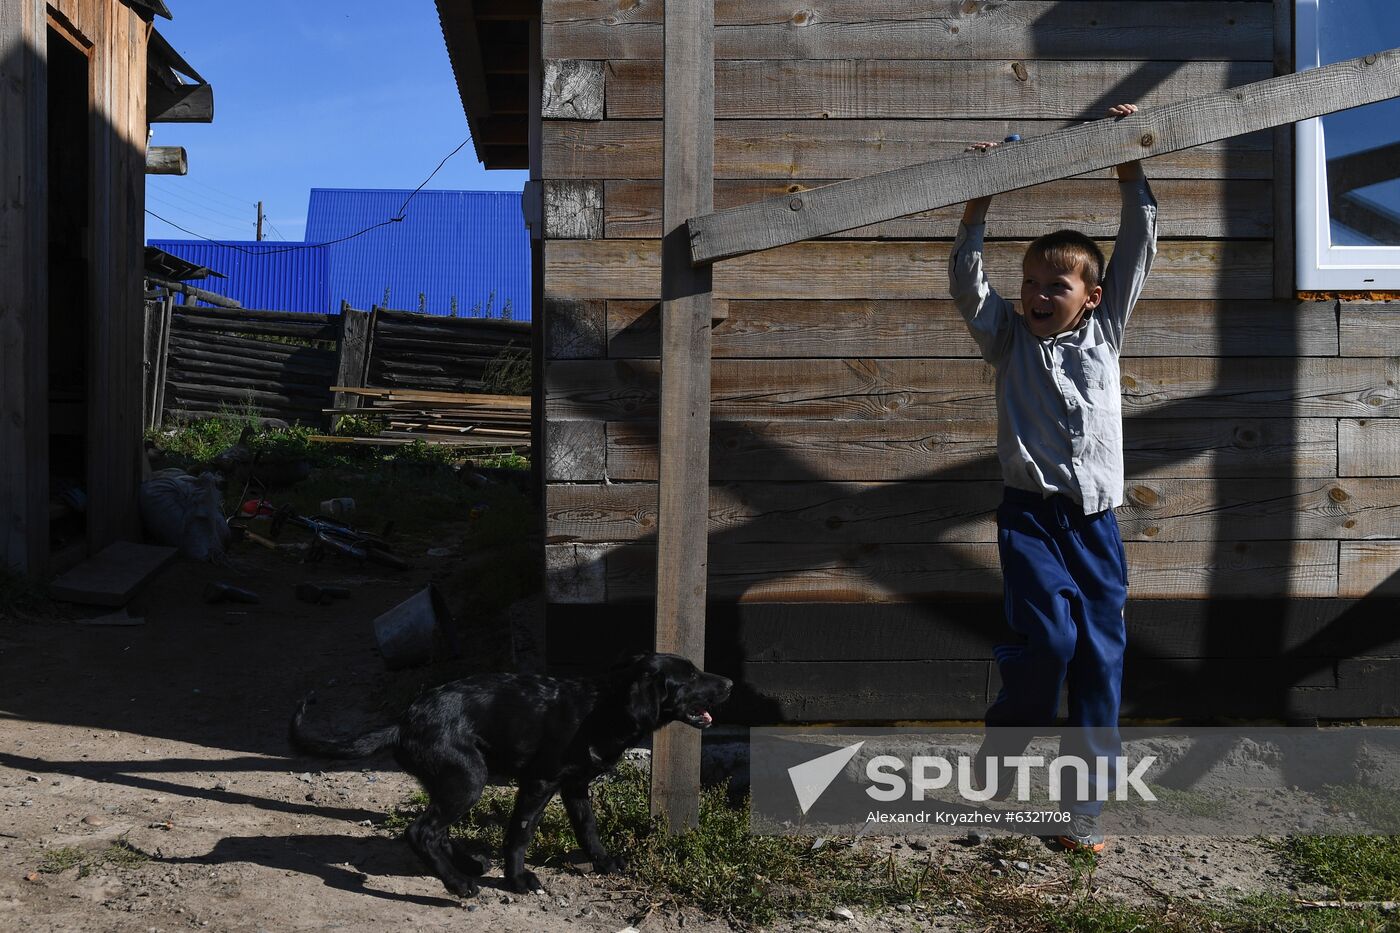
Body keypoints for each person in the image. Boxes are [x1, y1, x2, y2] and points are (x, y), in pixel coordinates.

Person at [948, 103, 1158, 853]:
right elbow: (969, 283)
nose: (1037, 294)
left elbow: (1135, 245)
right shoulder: (1007, 338)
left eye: (1055, 286)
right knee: (1052, 646)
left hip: (1096, 527)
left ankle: (1083, 812)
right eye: (1031, 281)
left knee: (1101, 659)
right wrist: (980, 198)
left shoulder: (1106, 333)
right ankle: (1001, 755)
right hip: (1031, 520)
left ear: (1090, 297)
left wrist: (1128, 162)